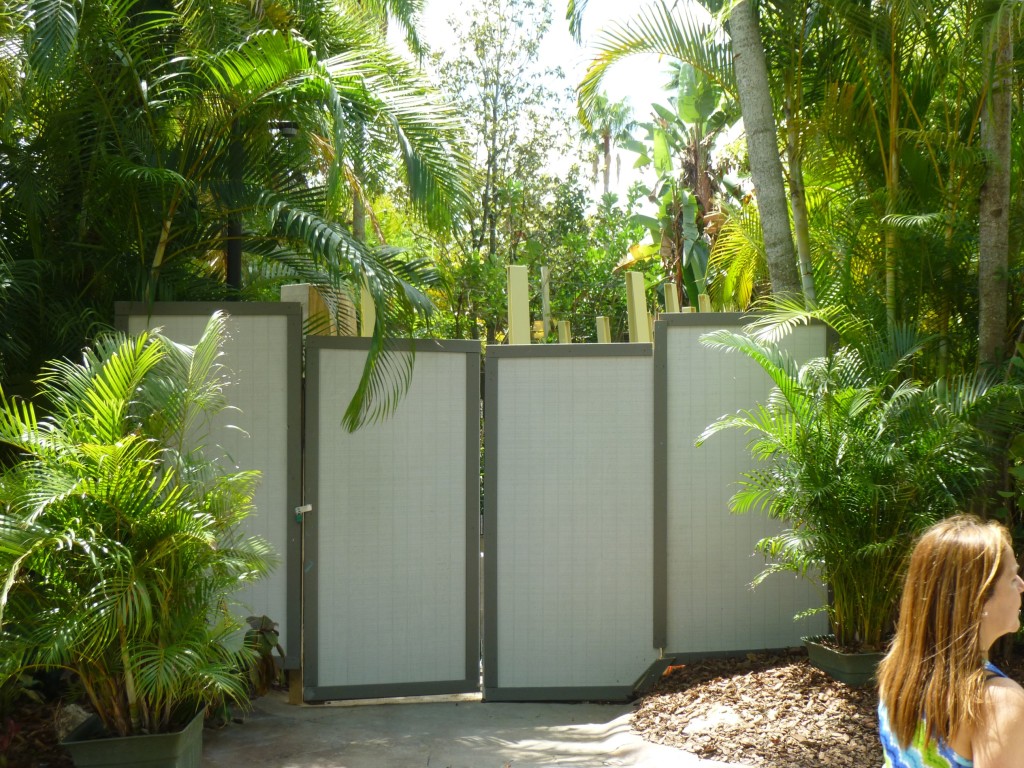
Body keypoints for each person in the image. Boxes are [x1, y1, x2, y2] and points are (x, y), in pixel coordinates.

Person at [878, 514, 1024, 767]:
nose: (1021, 585)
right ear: (979, 600)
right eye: (1012, 578)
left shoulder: (896, 674)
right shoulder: (999, 702)